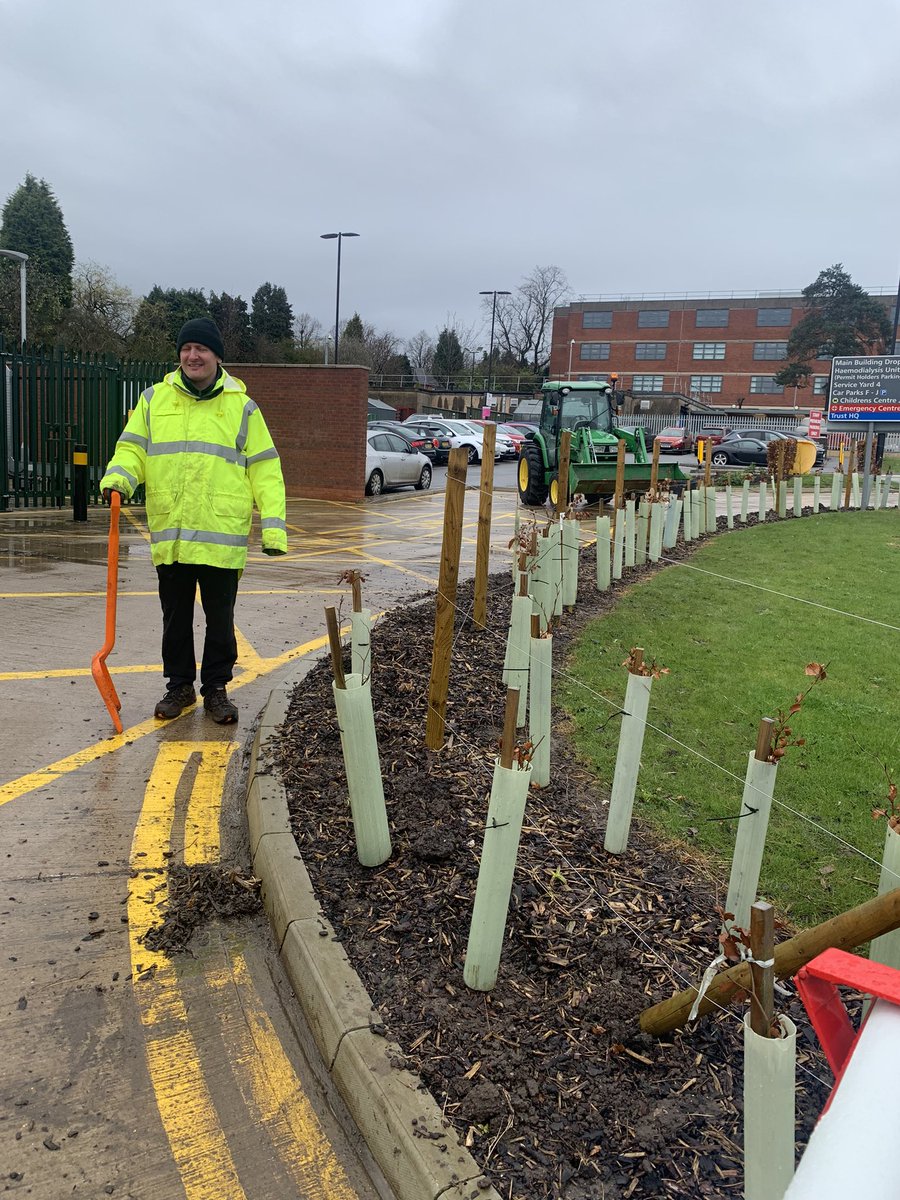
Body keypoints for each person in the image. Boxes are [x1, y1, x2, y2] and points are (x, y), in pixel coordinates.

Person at [100, 317, 287, 724]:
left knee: (221, 621)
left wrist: (273, 527)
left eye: (201, 349)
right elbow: (132, 450)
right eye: (186, 349)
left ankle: (216, 690)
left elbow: (265, 470)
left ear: (217, 355)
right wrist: (118, 479)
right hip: (173, 534)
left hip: (222, 536)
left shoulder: (242, 408)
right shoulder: (154, 401)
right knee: (175, 619)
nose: (192, 356)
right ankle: (179, 687)